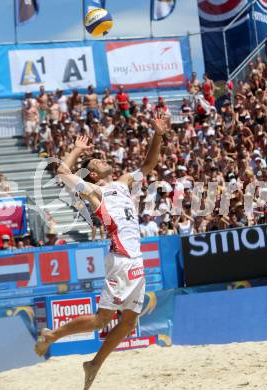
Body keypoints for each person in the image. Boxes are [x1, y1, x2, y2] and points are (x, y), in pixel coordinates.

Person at [34, 115, 169, 390]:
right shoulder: (95, 191)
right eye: (96, 162)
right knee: (102, 319)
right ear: (93, 174)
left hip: (133, 259)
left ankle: (94, 364)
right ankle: (52, 335)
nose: (102, 159)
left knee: (129, 321)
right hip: (122, 258)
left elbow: (148, 164)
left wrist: (158, 134)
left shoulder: (122, 182)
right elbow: (62, 173)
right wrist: (76, 150)